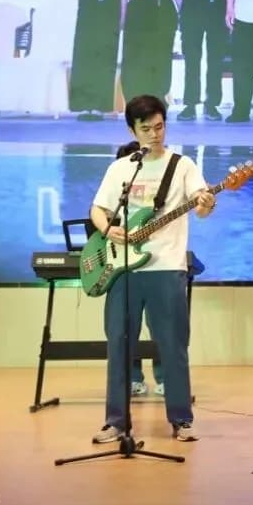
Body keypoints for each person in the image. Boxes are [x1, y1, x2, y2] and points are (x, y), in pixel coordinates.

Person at [90, 94, 215, 444]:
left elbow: (202, 207)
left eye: (159, 127)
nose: (155, 135)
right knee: (119, 345)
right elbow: (98, 209)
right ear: (133, 130)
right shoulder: (121, 168)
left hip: (167, 267)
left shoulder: (183, 165)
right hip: (123, 270)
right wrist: (107, 229)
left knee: (172, 345)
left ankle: (181, 419)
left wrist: (207, 203)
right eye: (146, 129)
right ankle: (116, 421)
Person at [115, 140, 165, 397]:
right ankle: (133, 378)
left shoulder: (160, 191)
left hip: (158, 265)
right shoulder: (114, 191)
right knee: (125, 328)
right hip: (123, 267)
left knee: (160, 326)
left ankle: (164, 378)